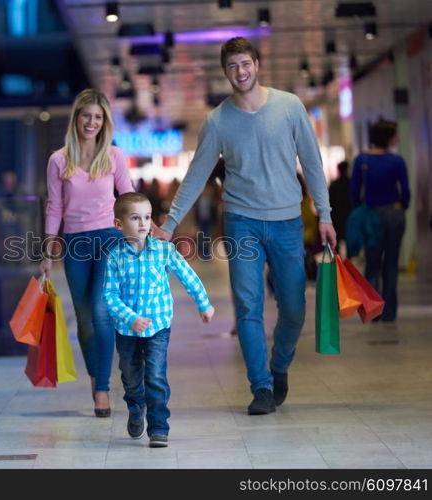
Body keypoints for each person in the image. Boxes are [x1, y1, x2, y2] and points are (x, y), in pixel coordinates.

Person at [152, 37, 336, 415]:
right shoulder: (218, 120)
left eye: (245, 63)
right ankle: (261, 387)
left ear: (257, 64)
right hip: (241, 223)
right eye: (233, 66)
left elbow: (312, 163)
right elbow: (195, 175)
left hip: (286, 221)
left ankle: (279, 365)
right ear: (226, 72)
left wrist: (325, 214)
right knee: (248, 307)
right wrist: (169, 224)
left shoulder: (289, 107)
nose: (241, 71)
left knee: (294, 308)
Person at [39, 88, 136, 417]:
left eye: (98, 117)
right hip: (76, 245)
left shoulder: (113, 156)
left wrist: (138, 235)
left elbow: (129, 197)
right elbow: (54, 206)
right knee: (83, 318)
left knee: (100, 310)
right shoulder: (58, 160)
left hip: (110, 240)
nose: (91, 122)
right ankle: (96, 379)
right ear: (76, 117)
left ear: (104, 121)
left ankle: (103, 389)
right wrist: (49, 248)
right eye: (86, 116)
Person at [103, 192, 214, 447]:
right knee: (131, 377)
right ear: (119, 225)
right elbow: (109, 295)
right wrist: (130, 318)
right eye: (135, 218)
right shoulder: (115, 258)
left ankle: (158, 427)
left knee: (155, 374)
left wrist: (204, 304)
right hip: (127, 330)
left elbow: (188, 276)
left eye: (147, 217)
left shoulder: (164, 250)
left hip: (158, 326)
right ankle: (135, 405)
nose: (143, 223)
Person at [351, 119, 410, 322]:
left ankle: (373, 311)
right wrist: (401, 206)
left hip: (371, 216)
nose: (398, 138)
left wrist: (361, 209)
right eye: (395, 134)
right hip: (394, 214)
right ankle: (390, 312)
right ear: (388, 138)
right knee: (391, 265)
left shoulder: (362, 160)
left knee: (372, 263)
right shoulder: (397, 161)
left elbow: (354, 191)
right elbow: (406, 192)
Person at [328, 161, 353, 254]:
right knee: (349, 239)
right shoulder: (351, 183)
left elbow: (330, 201)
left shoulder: (334, 184)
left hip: (336, 216)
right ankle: (349, 262)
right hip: (349, 215)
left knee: (336, 241)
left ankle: (337, 262)